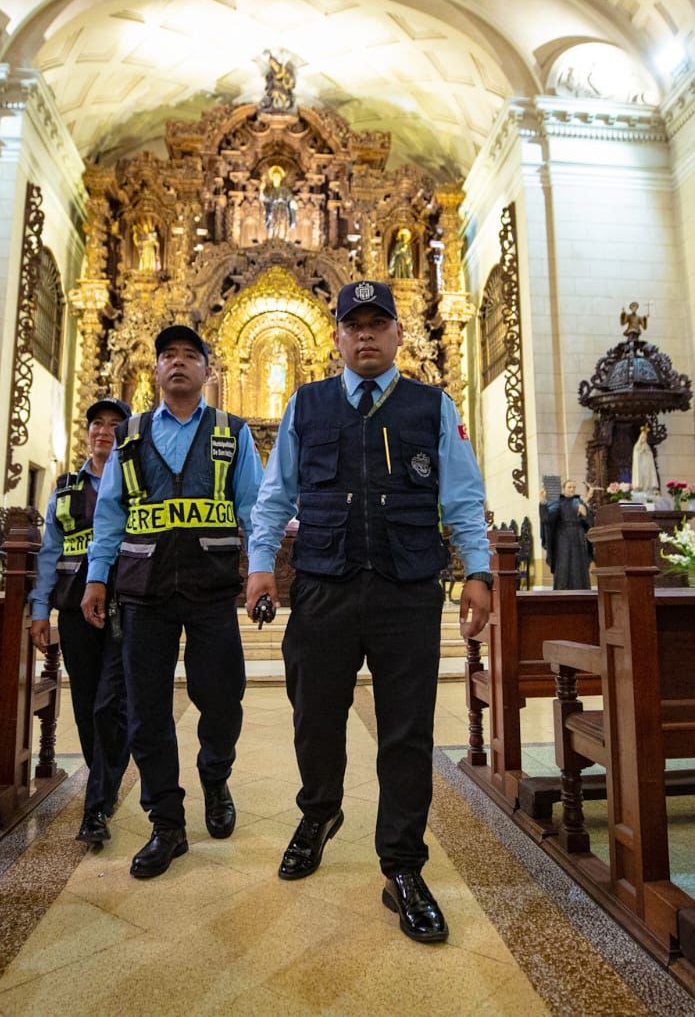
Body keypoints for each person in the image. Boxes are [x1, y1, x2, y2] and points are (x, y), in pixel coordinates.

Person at [246, 279, 492, 944]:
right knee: (314, 715)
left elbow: (465, 497)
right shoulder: (307, 403)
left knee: (407, 732)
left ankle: (403, 866)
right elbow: (274, 496)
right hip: (324, 587)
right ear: (335, 337)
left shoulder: (433, 406)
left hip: (406, 589)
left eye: (376, 323)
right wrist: (261, 563)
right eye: (352, 324)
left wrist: (478, 570)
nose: (364, 334)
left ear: (397, 334)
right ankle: (320, 811)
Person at [82, 325, 263, 879]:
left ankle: (215, 773)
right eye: (168, 356)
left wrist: (260, 570)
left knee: (223, 699)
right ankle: (167, 822)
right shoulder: (131, 436)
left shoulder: (233, 434)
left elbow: (254, 508)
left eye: (190, 356)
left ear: (208, 372)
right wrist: (96, 578)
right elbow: (111, 512)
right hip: (144, 593)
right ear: (156, 371)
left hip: (210, 592)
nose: (178, 364)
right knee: (145, 715)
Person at [28, 397, 131, 844]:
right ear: (87, 432)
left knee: (112, 703)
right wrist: (38, 610)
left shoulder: (136, 481)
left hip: (125, 607)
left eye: (114, 425)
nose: (104, 431)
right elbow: (50, 552)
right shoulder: (66, 487)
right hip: (74, 609)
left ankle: (95, 804)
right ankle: (102, 786)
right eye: (97, 424)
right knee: (87, 704)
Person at [541, 479, 591, 590]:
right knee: (564, 563)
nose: (572, 489)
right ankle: (563, 589)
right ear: (564, 489)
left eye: (574, 487)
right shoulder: (559, 502)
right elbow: (547, 518)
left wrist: (585, 514)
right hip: (563, 538)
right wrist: (543, 501)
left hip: (579, 536)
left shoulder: (580, 502)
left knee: (579, 564)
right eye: (569, 487)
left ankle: (581, 589)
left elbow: (589, 523)